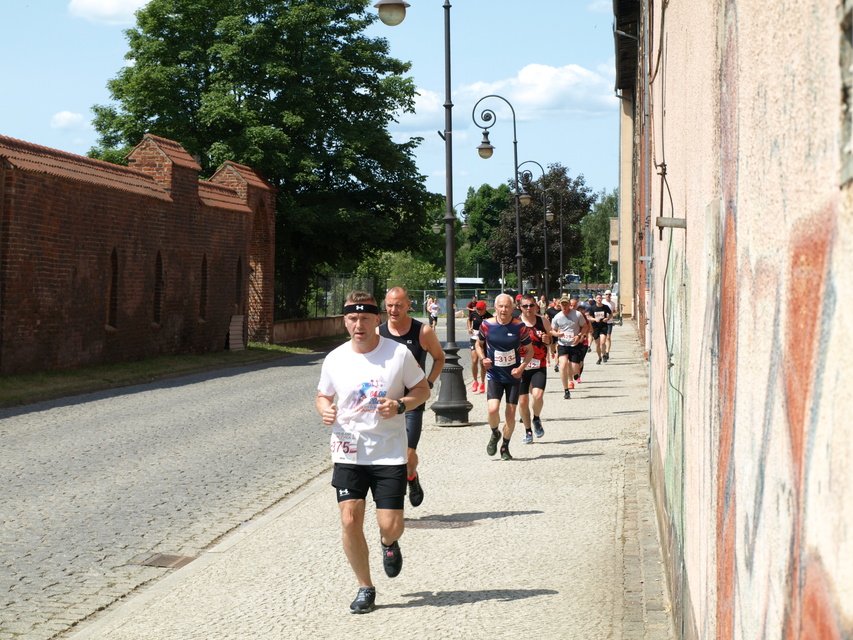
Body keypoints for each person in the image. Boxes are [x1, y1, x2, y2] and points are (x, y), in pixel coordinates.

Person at [316, 291, 430, 614]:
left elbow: (422, 390)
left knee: (391, 524)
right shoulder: (335, 359)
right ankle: (365, 587)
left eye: (365, 318)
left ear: (377, 319)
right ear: (344, 322)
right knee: (350, 518)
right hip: (348, 451)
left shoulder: (398, 354)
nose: (359, 324)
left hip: (388, 452)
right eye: (352, 318)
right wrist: (325, 409)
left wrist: (399, 406)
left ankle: (389, 543)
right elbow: (322, 396)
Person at [378, 287, 445, 508]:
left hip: (412, 403)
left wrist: (428, 383)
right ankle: (391, 501)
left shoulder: (422, 332)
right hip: (383, 404)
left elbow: (439, 358)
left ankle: (411, 477)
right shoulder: (378, 334)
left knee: (407, 453)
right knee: (386, 454)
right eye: (389, 305)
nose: (393, 310)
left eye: (398, 305)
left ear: (409, 305)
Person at [475, 293, 533, 460]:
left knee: (510, 414)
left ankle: (505, 447)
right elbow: (478, 344)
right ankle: (495, 433)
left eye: (507, 306)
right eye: (500, 306)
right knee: (492, 410)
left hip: (513, 377)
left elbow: (530, 351)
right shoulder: (487, 325)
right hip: (494, 374)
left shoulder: (519, 327)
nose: (503, 310)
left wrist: (522, 367)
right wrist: (482, 358)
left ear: (512, 308)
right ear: (495, 307)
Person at [517, 294, 552, 443]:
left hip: (539, 364)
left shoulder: (542, 321)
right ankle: (528, 431)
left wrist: (548, 340)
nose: (528, 308)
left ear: (536, 306)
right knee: (523, 401)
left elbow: (550, 340)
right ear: (520, 307)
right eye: (525, 306)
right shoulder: (515, 323)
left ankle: (536, 418)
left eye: (531, 305)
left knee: (537, 396)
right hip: (520, 366)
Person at [550, 296, 588, 399]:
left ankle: (575, 374)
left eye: (566, 304)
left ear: (569, 304)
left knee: (574, 370)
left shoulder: (577, 314)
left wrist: (579, 336)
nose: (564, 306)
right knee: (562, 365)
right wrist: (557, 335)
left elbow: (585, 326)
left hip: (575, 344)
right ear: (559, 305)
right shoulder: (557, 317)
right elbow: (552, 330)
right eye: (562, 304)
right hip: (563, 344)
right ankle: (566, 390)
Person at [467, 300, 493, 394]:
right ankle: (475, 381)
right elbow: (468, 320)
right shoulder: (474, 314)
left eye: (480, 310)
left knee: (482, 363)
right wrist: (469, 327)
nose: (478, 312)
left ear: (485, 308)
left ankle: (482, 382)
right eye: (477, 310)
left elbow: (493, 328)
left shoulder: (490, 317)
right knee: (474, 360)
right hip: (474, 338)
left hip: (484, 341)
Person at [589, 294, 612, 364]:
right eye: (597, 298)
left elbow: (611, 314)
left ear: (602, 299)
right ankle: (599, 357)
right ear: (595, 299)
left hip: (603, 326)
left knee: (602, 342)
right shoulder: (592, 308)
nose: (599, 299)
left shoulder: (605, 307)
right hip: (595, 326)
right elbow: (590, 317)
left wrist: (607, 318)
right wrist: (595, 319)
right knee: (597, 344)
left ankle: (604, 354)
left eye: (600, 298)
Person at [544, 297, 561, 372]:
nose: (559, 304)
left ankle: (556, 365)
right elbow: (545, 318)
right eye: (558, 302)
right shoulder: (550, 310)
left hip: (559, 331)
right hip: (552, 330)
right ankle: (552, 352)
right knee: (552, 346)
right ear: (555, 302)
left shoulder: (562, 311)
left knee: (558, 348)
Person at [602, 289, 616, 361]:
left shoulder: (613, 303)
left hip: (609, 322)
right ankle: (603, 352)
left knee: (608, 337)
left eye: (609, 294)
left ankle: (607, 352)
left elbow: (613, 311)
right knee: (603, 339)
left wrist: (616, 310)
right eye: (607, 294)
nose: (608, 295)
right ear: (604, 295)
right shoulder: (602, 302)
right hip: (602, 322)